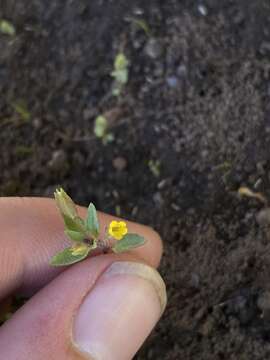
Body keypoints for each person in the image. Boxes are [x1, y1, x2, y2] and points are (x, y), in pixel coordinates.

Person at [0, 197, 167, 359]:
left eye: (115, 230)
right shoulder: (88, 241)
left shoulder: (103, 238)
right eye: (114, 230)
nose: (114, 231)